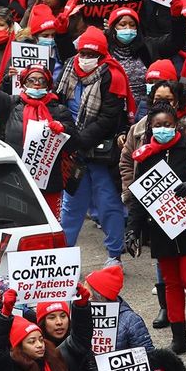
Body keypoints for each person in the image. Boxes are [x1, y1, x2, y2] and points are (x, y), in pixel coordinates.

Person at [126, 103, 186, 358]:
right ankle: (179, 338)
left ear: (176, 125)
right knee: (170, 284)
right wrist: (132, 230)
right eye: (157, 126)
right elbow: (139, 197)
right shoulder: (146, 156)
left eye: (167, 125)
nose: (163, 130)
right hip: (162, 230)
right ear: (150, 128)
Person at [56, 26, 134, 267]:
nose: (86, 58)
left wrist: (79, 140)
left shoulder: (113, 75)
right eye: (84, 53)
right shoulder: (70, 67)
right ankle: (62, 255)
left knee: (109, 203)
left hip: (99, 153)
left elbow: (109, 118)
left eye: (93, 54)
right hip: (73, 150)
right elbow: (59, 103)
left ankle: (114, 255)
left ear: (102, 55)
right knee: (71, 206)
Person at [0, 62, 78, 217]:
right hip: (18, 181)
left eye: (42, 80)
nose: (37, 84)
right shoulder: (11, 104)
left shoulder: (60, 111)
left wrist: (64, 129)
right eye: (32, 79)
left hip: (49, 182)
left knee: (50, 226)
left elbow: (76, 142)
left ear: (48, 85)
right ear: (23, 83)